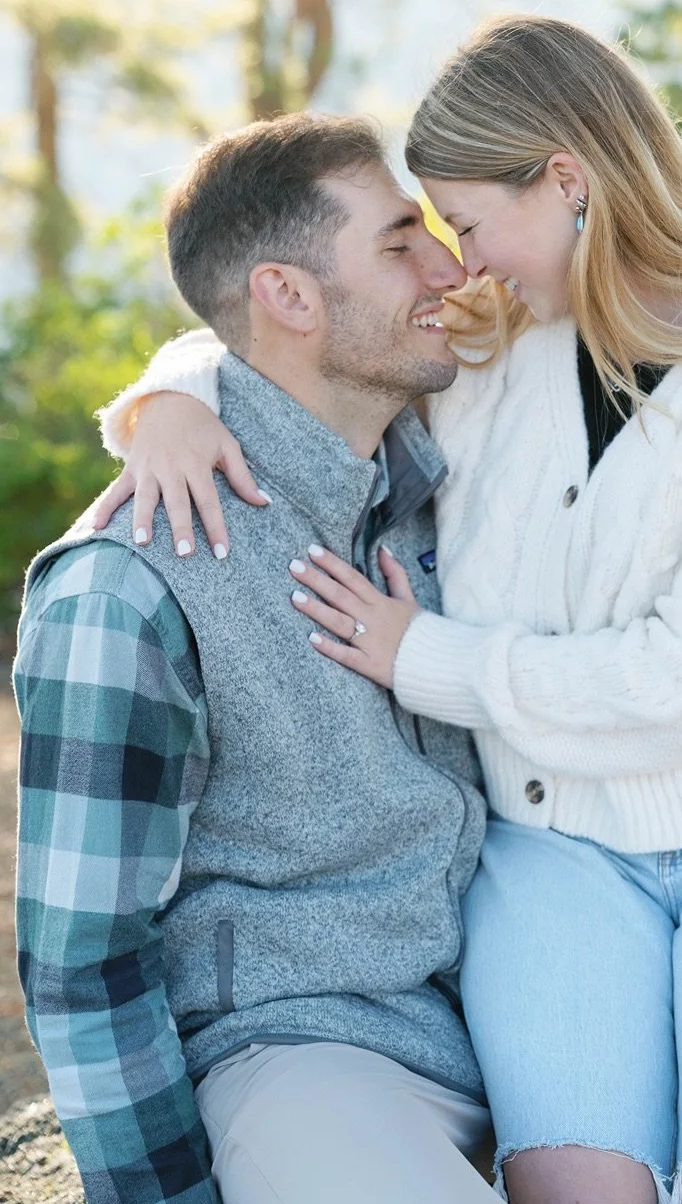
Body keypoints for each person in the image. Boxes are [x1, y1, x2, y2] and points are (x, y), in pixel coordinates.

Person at [96, 23, 682, 1204]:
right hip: (554, 855)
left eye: (465, 223)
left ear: (566, 182)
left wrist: (427, 658)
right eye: (430, 232)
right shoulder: (498, 346)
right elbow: (294, 328)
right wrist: (170, 400)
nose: (456, 266)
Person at [14, 115, 495, 1204]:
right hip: (302, 1055)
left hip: (516, 1012)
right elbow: (83, 960)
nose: (447, 268)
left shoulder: (437, 477)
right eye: (400, 243)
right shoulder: (127, 589)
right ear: (287, 295)